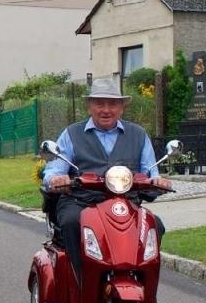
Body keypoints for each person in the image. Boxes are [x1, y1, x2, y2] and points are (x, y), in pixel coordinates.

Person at [41, 76, 170, 280]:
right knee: (72, 222)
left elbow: (150, 172)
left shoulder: (138, 134)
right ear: (89, 106)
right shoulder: (71, 134)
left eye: (112, 104)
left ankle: (143, 281)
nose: (106, 110)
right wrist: (57, 179)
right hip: (81, 201)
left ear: (122, 107)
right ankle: (82, 281)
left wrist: (158, 182)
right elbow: (55, 168)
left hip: (126, 204)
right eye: (99, 104)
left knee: (155, 225)